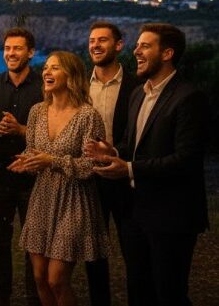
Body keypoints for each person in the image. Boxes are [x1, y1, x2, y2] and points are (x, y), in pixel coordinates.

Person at [87, 23, 209, 306]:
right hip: (139, 211)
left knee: (169, 293)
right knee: (139, 288)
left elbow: (186, 161)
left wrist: (128, 169)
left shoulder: (189, 97)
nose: (136, 51)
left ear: (167, 53)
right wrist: (113, 150)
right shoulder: (139, 94)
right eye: (137, 45)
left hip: (173, 215)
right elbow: (134, 144)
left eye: (145, 46)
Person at [9, 51, 108, 306]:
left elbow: (94, 164)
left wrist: (52, 161)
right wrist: (27, 162)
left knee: (56, 280)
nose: (47, 72)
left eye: (55, 68)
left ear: (72, 75)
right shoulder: (36, 112)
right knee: (39, 277)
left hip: (73, 200)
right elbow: (33, 152)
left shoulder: (88, 116)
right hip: (42, 198)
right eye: (46, 68)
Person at [0, 28, 42, 306]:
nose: (10, 54)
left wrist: (20, 130)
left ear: (31, 52)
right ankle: (0, 296)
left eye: (17, 49)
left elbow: (53, 133)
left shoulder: (43, 87)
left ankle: (33, 297)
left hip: (33, 178)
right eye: (7, 48)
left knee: (34, 245)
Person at [84, 22, 139, 306]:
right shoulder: (80, 85)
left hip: (125, 178)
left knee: (135, 252)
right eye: (92, 40)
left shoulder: (137, 86)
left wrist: (115, 151)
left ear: (119, 45)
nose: (95, 45)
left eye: (103, 40)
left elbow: (142, 134)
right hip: (89, 179)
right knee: (94, 254)